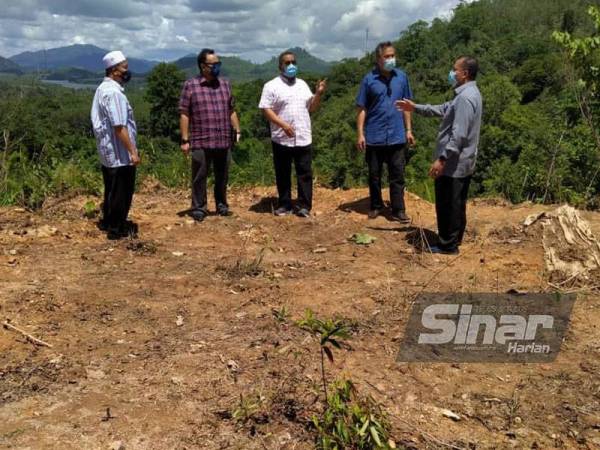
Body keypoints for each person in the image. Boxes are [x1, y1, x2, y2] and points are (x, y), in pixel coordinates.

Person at [397, 56, 482, 255]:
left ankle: (447, 245)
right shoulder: (469, 94)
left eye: (455, 69)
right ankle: (454, 239)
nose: (452, 73)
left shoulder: (465, 98)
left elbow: (458, 135)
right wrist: (415, 107)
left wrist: (442, 159)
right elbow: (442, 109)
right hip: (464, 161)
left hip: (454, 163)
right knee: (457, 203)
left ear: (465, 73)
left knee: (448, 204)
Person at [259, 50, 327, 217]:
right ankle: (284, 204)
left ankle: (304, 206)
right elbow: (265, 109)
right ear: (280, 66)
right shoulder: (271, 85)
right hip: (281, 138)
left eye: (293, 62)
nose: (291, 66)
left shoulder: (303, 84)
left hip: (303, 136)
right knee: (283, 172)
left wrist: (318, 93)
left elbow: (311, 108)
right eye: (287, 63)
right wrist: (282, 125)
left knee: (305, 173)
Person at [179, 48, 241, 222]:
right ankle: (199, 207)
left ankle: (222, 205)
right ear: (202, 66)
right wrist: (185, 139)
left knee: (222, 175)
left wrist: (237, 129)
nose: (216, 67)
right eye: (213, 64)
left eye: (218, 64)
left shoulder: (225, 84)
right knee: (199, 175)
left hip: (223, 140)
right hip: (200, 139)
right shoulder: (191, 85)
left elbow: (231, 110)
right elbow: (184, 113)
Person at [356, 41, 415, 222]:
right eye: (387, 56)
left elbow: (406, 106)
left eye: (392, 56)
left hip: (397, 135)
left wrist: (409, 130)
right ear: (378, 59)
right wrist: (360, 133)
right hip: (375, 135)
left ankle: (398, 210)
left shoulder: (402, 77)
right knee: (374, 174)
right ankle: (375, 205)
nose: (391, 59)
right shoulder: (369, 80)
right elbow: (361, 108)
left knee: (397, 174)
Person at [91, 50, 141, 240]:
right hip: (119, 152)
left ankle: (109, 221)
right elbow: (120, 127)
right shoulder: (113, 93)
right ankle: (116, 227)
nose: (127, 71)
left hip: (108, 151)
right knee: (121, 190)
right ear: (114, 70)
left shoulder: (102, 89)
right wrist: (133, 152)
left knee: (111, 188)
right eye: (124, 68)